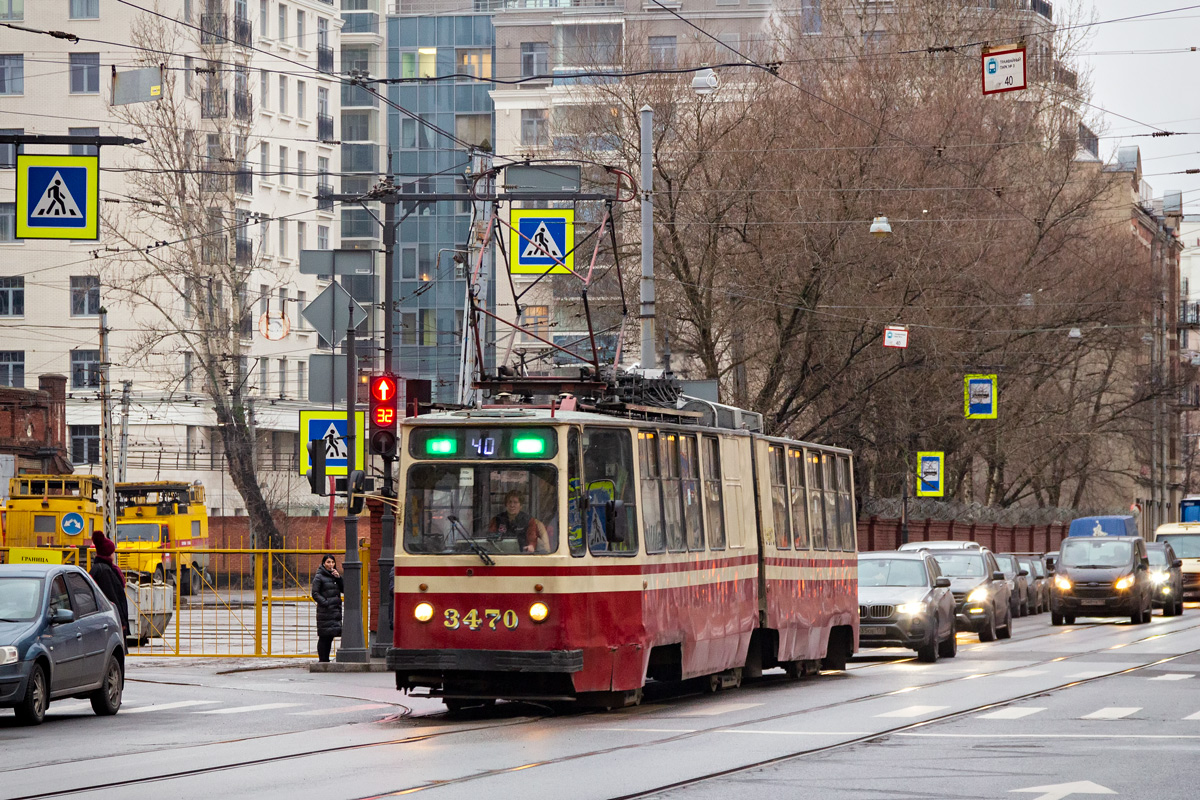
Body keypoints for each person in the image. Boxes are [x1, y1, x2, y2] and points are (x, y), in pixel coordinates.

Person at [90, 530, 130, 638]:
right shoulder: (105, 571)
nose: (114, 554)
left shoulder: (101, 568)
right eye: (113, 552)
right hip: (111, 621)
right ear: (107, 553)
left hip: (108, 620)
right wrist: (121, 620)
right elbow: (112, 597)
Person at [311, 555, 343, 662]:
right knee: (324, 636)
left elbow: (344, 589)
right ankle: (323, 660)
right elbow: (315, 593)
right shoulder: (319, 576)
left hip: (335, 611)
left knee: (330, 636)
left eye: (333, 562)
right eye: (328, 562)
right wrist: (325, 602)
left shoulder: (335, 576)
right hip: (325, 611)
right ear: (324, 563)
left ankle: (326, 660)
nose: (331, 565)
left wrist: (339, 578)